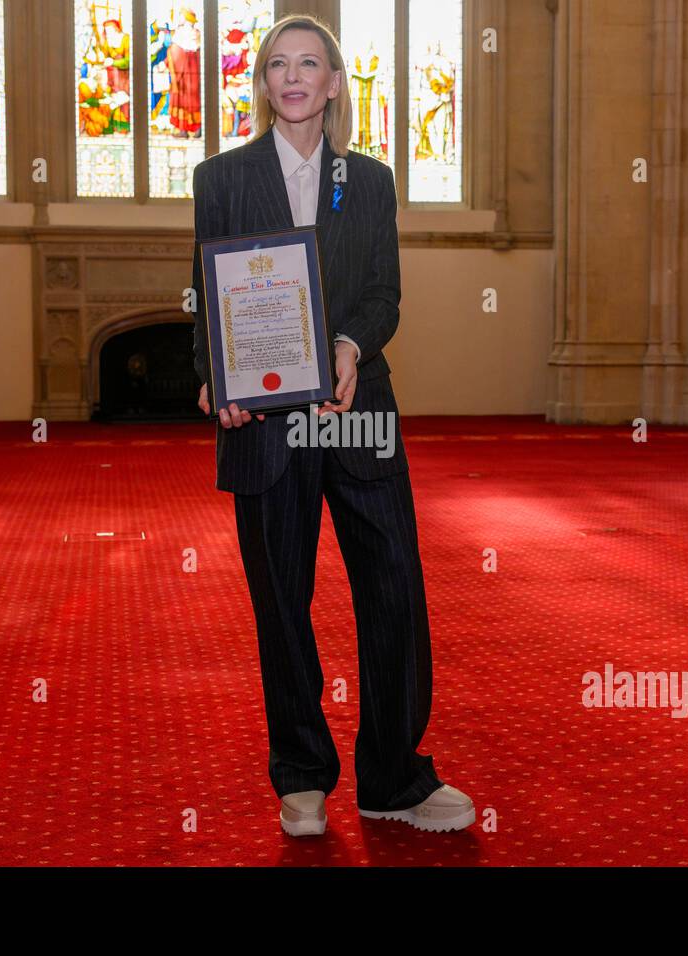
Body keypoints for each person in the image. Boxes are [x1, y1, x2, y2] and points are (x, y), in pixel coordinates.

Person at [190, 14, 473, 836]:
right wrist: (218, 379)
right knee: (282, 600)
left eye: (309, 62)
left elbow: (384, 294)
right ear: (264, 82)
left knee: (393, 589)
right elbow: (209, 301)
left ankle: (395, 777)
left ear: (335, 81)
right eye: (278, 64)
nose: (292, 76)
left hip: (356, 413)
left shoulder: (371, 179)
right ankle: (302, 775)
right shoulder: (222, 178)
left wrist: (350, 344)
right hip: (266, 424)